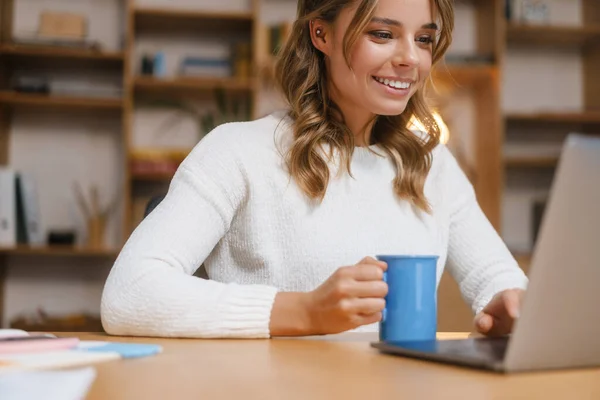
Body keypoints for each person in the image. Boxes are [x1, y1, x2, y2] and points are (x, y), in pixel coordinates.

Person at [101, 0, 527, 339]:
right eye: (383, 34)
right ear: (320, 33)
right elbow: (130, 292)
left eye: (424, 39)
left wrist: (512, 310)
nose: (410, 59)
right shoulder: (237, 151)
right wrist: (303, 312)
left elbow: (499, 281)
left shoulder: (432, 165)